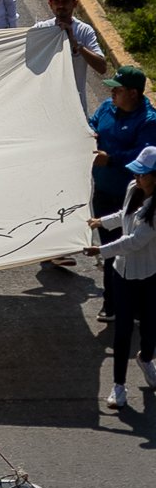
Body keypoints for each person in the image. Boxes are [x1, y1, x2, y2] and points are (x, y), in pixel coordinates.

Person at [86, 143, 156, 409]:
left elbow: (134, 242)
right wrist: (100, 222)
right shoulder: (132, 188)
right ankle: (118, 385)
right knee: (123, 331)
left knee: (150, 328)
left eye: (143, 174)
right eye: (137, 173)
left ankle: (146, 359)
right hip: (122, 276)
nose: (138, 178)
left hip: (149, 276)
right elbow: (122, 216)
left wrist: (100, 250)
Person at [89, 66, 156, 322]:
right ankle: (114, 302)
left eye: (117, 89)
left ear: (133, 93)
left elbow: (146, 155)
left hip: (135, 195)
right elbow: (93, 123)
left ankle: (129, 304)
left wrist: (112, 159)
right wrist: (90, 133)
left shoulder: (149, 121)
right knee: (112, 249)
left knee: (129, 248)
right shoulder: (107, 107)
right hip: (104, 191)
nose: (112, 93)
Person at [33, 0, 108, 107]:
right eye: (56, 1)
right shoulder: (40, 29)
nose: (61, 6)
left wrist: (76, 44)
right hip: (46, 105)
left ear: (75, 4)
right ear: (50, 5)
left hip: (74, 106)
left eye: (65, 1)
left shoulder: (84, 31)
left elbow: (102, 67)